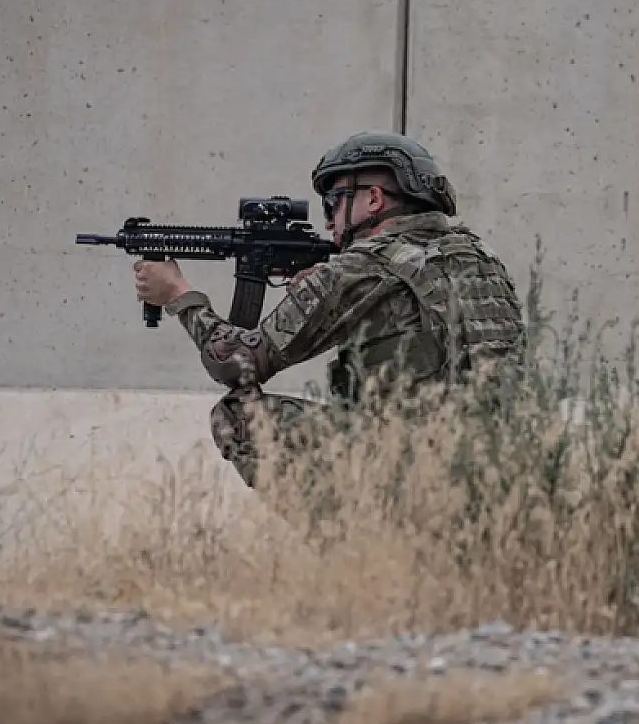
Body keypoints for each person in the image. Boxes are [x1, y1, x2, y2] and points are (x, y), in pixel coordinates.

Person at [132, 131, 526, 489]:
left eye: (335, 202)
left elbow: (236, 363)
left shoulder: (360, 266)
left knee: (238, 417)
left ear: (373, 199)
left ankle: (357, 550)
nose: (327, 221)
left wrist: (178, 295)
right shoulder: (480, 258)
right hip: (501, 469)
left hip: (414, 471)